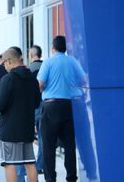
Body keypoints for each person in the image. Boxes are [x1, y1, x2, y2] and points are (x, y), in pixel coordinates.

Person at [37, 36, 86, 182]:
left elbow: (40, 84)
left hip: (51, 106)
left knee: (48, 146)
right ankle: (71, 178)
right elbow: (83, 80)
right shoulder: (72, 61)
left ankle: (50, 179)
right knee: (70, 145)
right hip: (70, 106)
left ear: (53, 47)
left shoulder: (48, 62)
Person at [0, 47, 40, 182]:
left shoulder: (8, 79)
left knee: (9, 164)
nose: (4, 66)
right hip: (27, 128)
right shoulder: (32, 79)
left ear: (9, 61)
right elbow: (36, 103)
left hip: (10, 131)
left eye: (4, 63)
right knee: (30, 163)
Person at [17, 45, 44, 182]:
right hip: (46, 105)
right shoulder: (46, 66)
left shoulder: (28, 70)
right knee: (42, 136)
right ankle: (41, 164)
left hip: (32, 107)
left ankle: (27, 168)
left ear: (31, 55)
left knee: (26, 141)